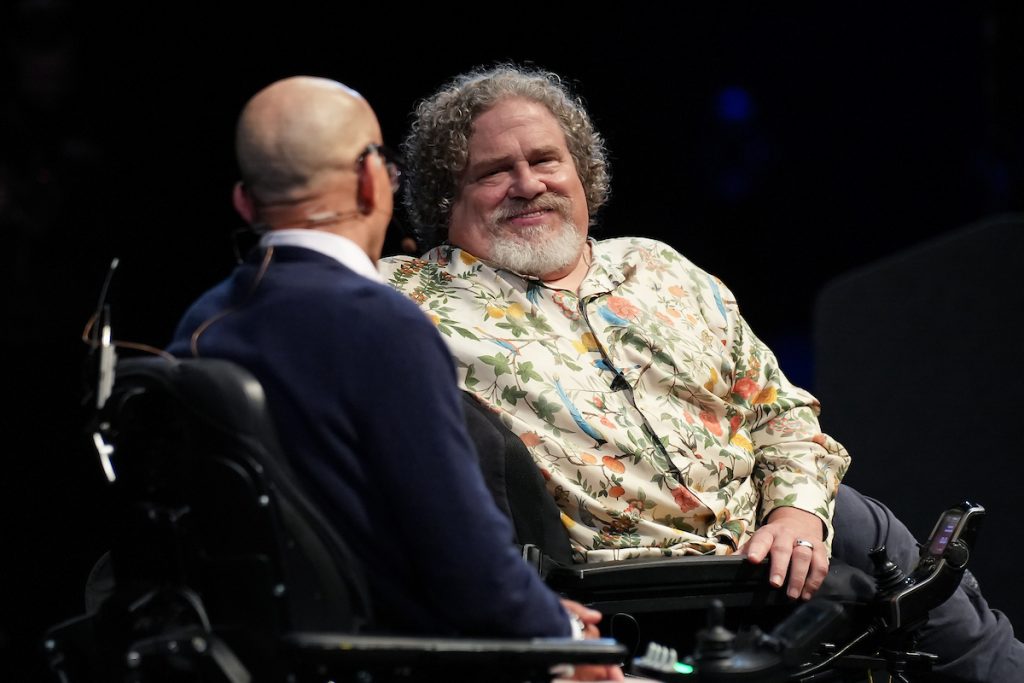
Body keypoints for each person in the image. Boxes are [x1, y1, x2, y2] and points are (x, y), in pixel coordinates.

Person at [378, 63, 1023, 681]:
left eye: (546, 160)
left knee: (960, 623)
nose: (528, 184)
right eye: (495, 171)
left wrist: (797, 511)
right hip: (645, 578)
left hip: (791, 533)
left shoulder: (659, 267)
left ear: (581, 173)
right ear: (445, 196)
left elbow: (781, 409)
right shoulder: (409, 300)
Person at [164, 76, 622, 680]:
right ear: (369, 179)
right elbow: (461, 554)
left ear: (246, 203)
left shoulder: (201, 324)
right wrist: (563, 636)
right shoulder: (384, 324)